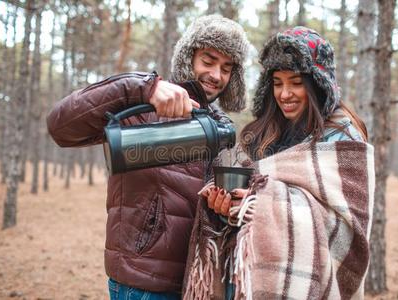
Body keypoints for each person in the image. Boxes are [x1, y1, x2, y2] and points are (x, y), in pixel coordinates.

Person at [46, 15, 250, 300]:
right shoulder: (144, 104)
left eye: (226, 68)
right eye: (208, 60)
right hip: (142, 284)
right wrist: (141, 87)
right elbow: (60, 127)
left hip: (198, 281)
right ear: (188, 57)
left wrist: (231, 204)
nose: (216, 75)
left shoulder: (220, 124)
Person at [183, 27, 375, 300]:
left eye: (296, 82)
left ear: (318, 83)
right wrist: (224, 205)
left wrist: (259, 200)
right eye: (277, 82)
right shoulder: (260, 134)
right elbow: (239, 209)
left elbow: (343, 230)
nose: (285, 94)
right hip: (246, 277)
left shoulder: (342, 137)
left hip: (305, 284)